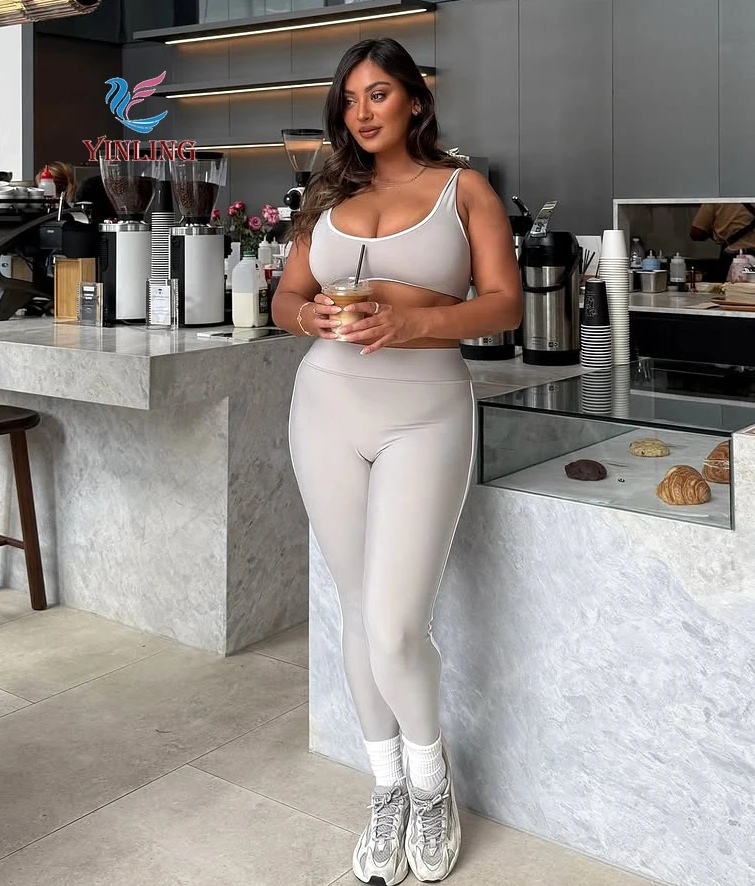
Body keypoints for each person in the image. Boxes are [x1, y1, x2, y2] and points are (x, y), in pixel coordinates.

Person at [271, 38, 522, 885]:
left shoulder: (464, 189)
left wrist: (413, 323)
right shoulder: (326, 193)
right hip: (325, 406)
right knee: (355, 611)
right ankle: (385, 788)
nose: (361, 112)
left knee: (394, 626)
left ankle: (429, 781)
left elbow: (504, 304)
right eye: (349, 100)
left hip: (426, 411)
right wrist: (306, 319)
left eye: (378, 94)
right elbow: (285, 296)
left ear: (415, 98)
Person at [690, 202, 755, 281]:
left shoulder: (717, 197)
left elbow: (696, 232)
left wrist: (717, 232)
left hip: (733, 259)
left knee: (732, 288)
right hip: (744, 257)